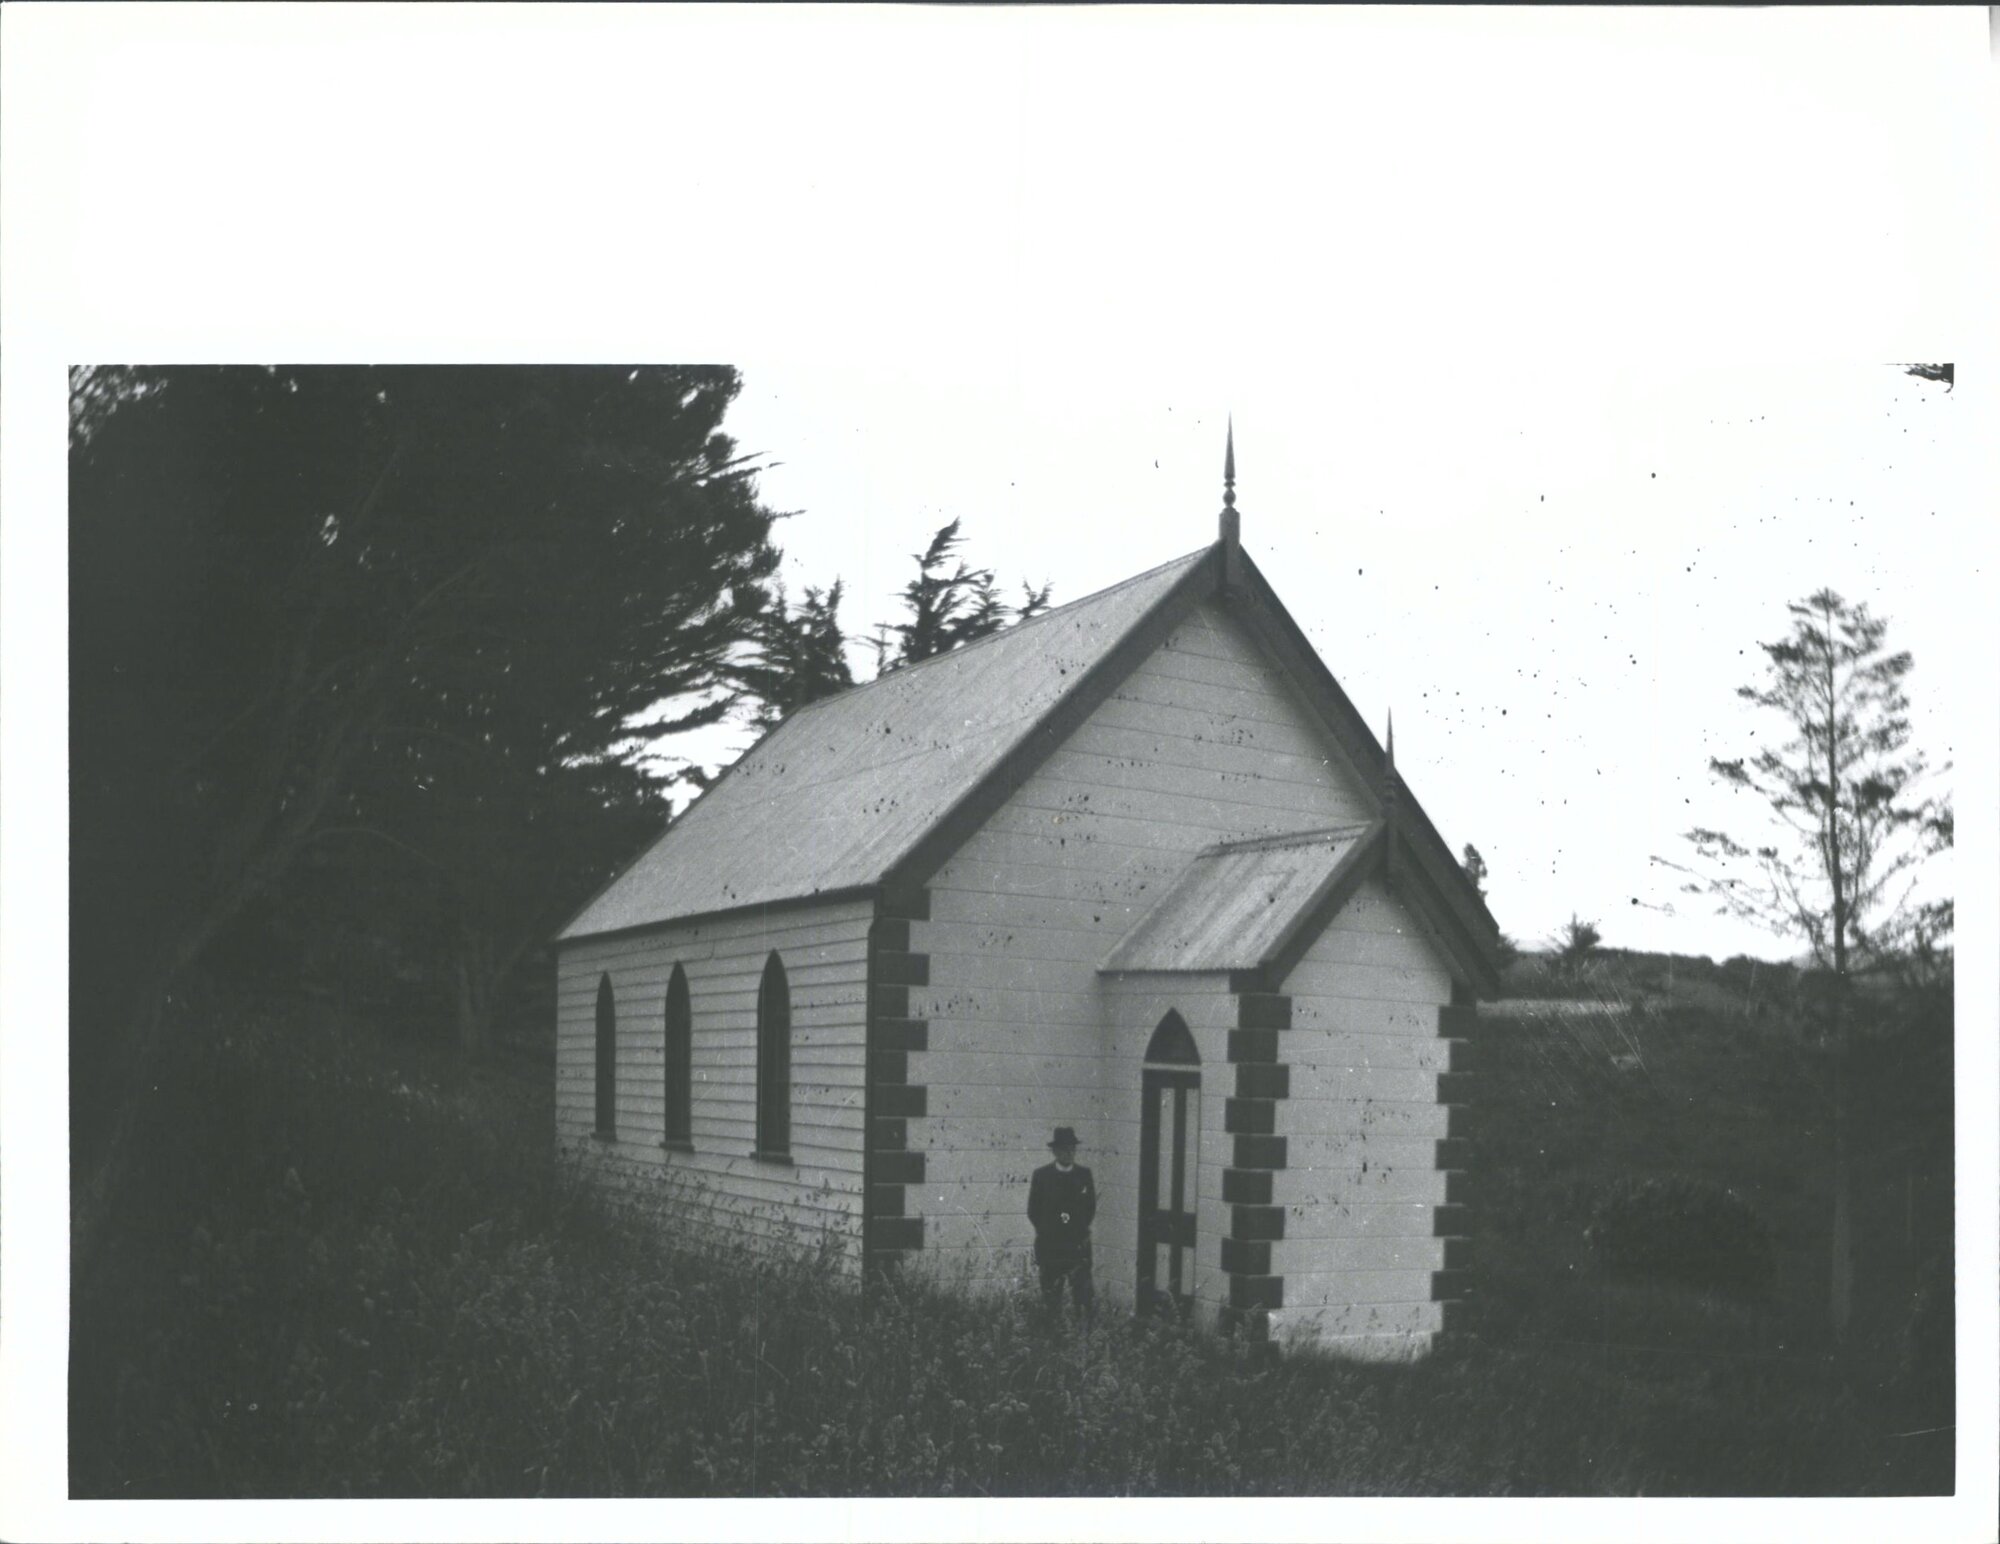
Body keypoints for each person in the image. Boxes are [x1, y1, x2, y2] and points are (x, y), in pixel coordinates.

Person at [1027, 1126, 1096, 1317]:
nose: (1069, 1153)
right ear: (1055, 1151)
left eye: (1073, 1149)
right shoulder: (1042, 1176)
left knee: (1083, 1299)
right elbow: (1033, 1211)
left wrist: (1076, 1229)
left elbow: (1090, 1209)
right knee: (1051, 1300)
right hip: (1051, 1247)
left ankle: (1081, 1338)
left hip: (1077, 1247)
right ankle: (1053, 1339)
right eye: (1065, 1149)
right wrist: (1050, 1231)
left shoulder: (1084, 1175)